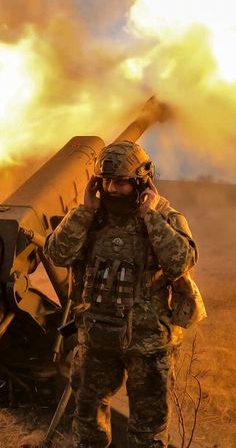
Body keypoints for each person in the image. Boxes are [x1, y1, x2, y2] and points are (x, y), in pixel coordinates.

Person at [44, 140, 201, 448]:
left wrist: (149, 215)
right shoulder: (90, 217)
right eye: (105, 181)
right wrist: (85, 211)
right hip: (96, 340)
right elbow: (57, 254)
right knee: (88, 425)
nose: (112, 189)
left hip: (148, 344)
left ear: (142, 183)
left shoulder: (165, 217)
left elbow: (181, 261)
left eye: (121, 182)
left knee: (148, 431)